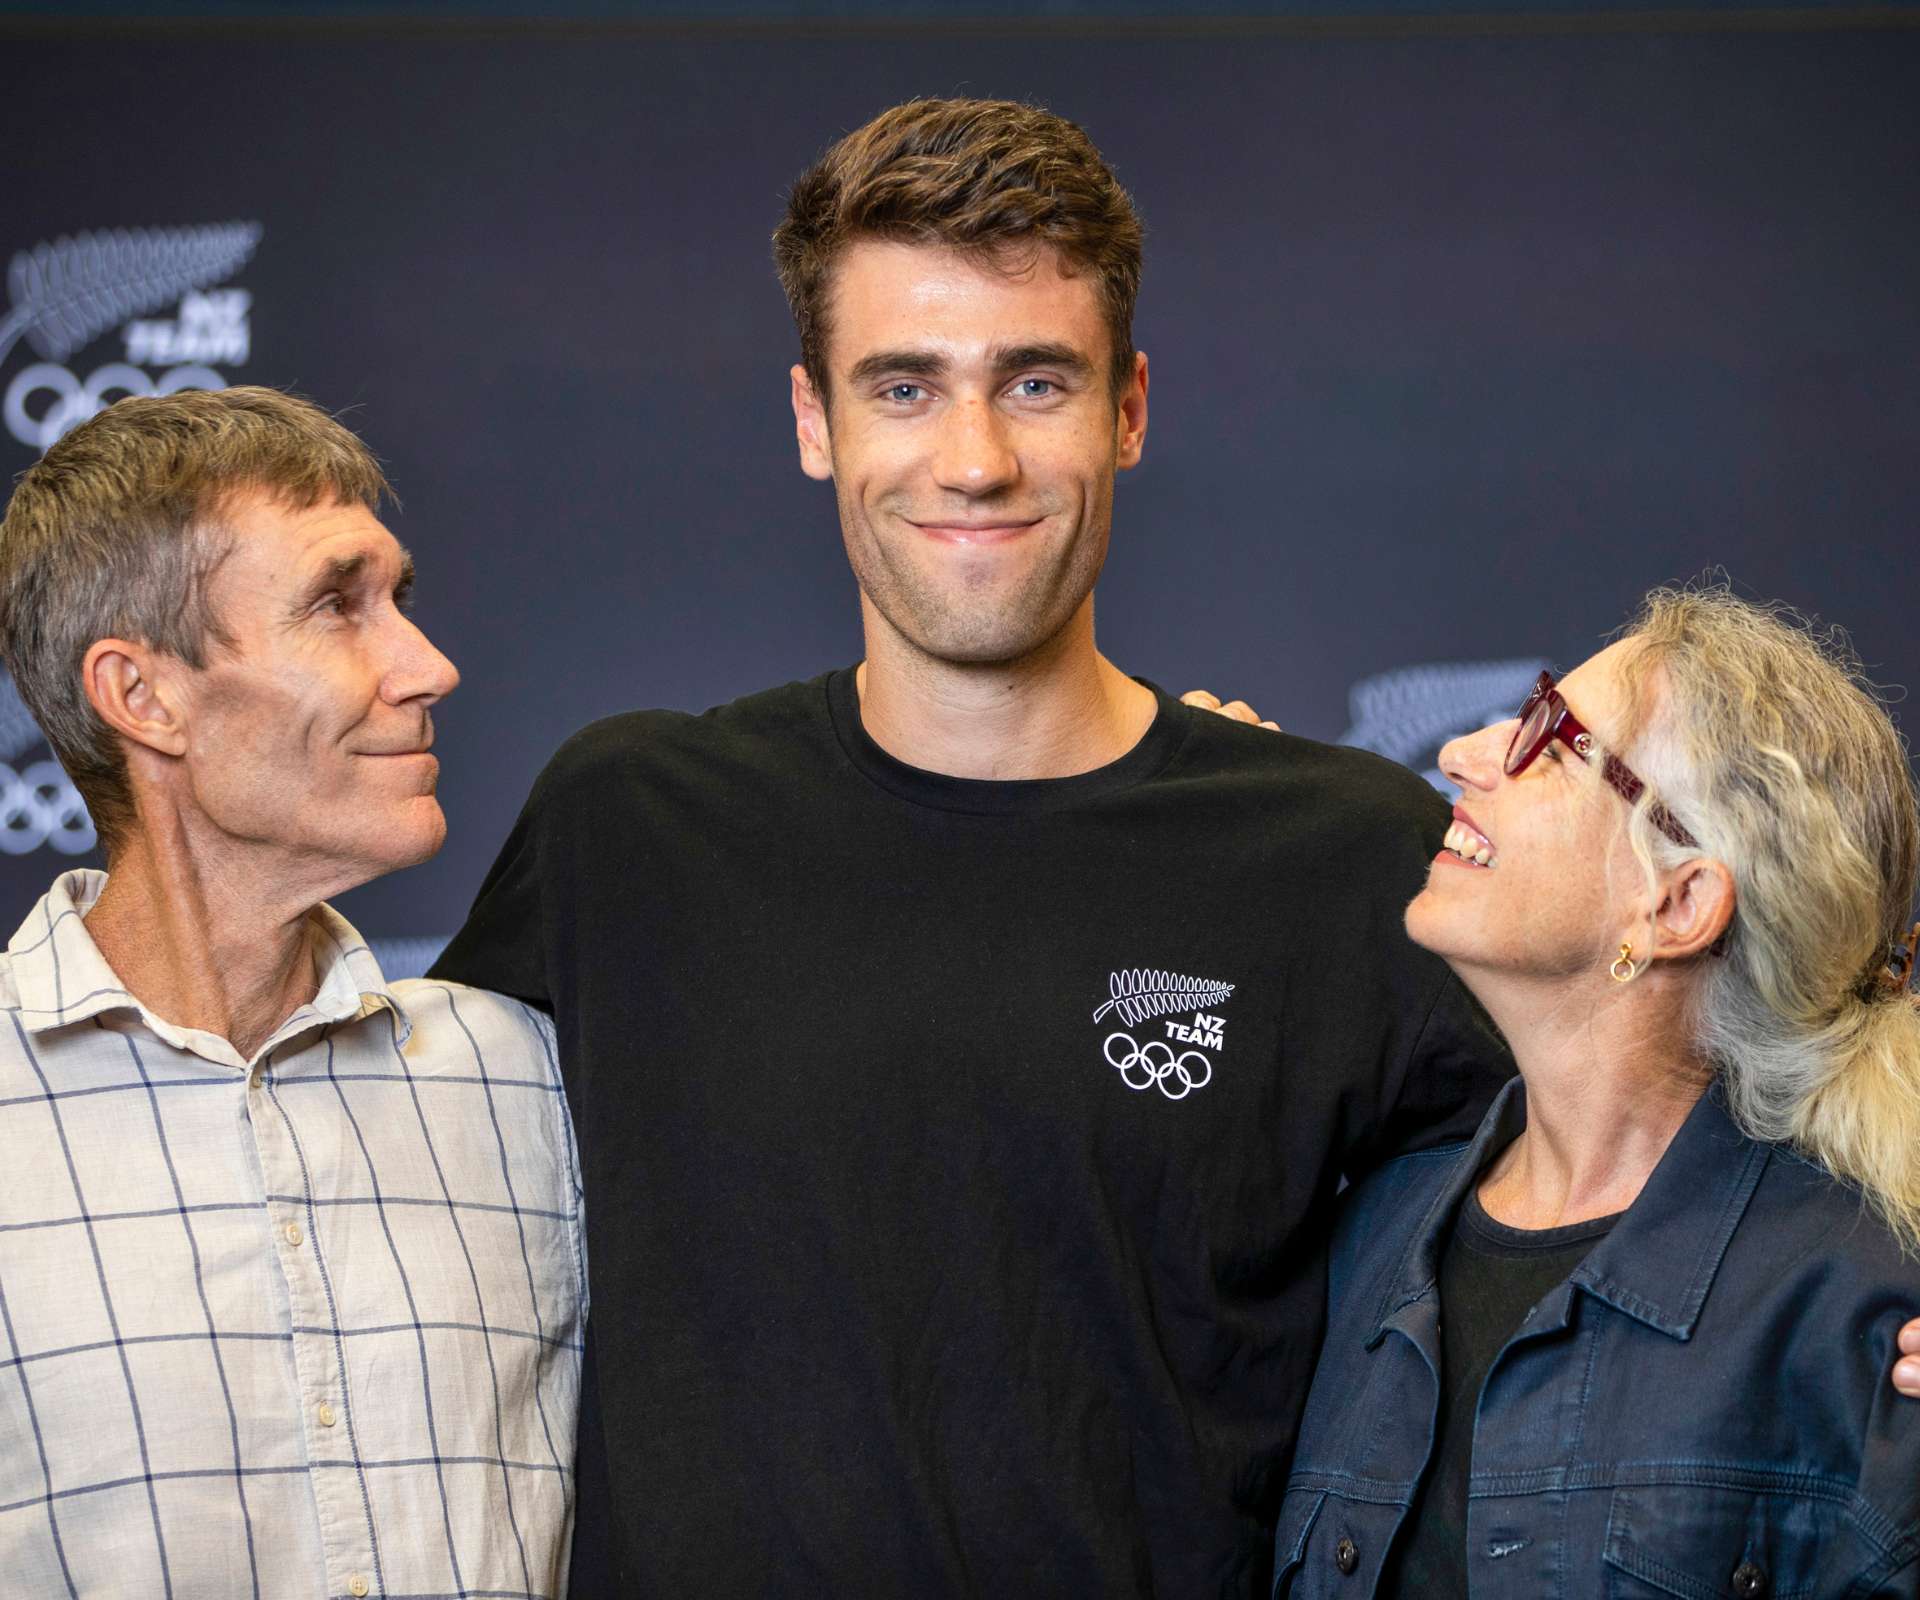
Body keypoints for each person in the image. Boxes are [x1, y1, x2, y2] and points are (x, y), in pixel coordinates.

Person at [430, 95, 1503, 1597]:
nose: (976, 458)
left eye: (1036, 382)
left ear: (1130, 409)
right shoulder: (627, 824)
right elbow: (371, 1204)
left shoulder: (1344, 857)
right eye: (905, 387)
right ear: (815, 422)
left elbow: (1643, 1230)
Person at [0, 388, 585, 1599]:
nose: (429, 667)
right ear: (143, 696)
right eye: (335, 605)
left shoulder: (525, 1074)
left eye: (399, 599)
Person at [1276, 587, 1920, 1597]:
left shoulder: (1865, 1321)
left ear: (1677, 902)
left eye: (1551, 738)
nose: (1461, 754)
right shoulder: (1368, 1236)